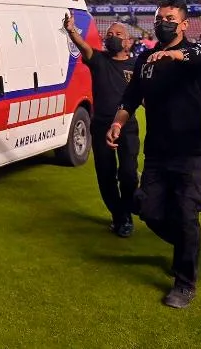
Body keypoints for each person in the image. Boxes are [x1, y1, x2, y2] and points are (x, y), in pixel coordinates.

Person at [107, 0, 201, 309]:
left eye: (169, 18)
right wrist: (117, 122)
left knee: (184, 210)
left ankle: (184, 281)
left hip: (191, 149)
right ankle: (185, 243)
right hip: (157, 151)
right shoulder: (145, 60)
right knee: (146, 208)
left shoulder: (196, 54)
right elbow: (131, 97)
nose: (162, 23)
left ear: (183, 24)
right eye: (158, 18)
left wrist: (175, 55)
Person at [64, 15, 139, 237]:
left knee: (128, 174)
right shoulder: (98, 60)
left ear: (128, 42)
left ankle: (126, 210)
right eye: (109, 34)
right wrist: (71, 31)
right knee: (106, 175)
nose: (112, 37)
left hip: (128, 127)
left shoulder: (136, 66)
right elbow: (84, 47)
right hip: (100, 127)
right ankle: (120, 217)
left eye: (118, 35)